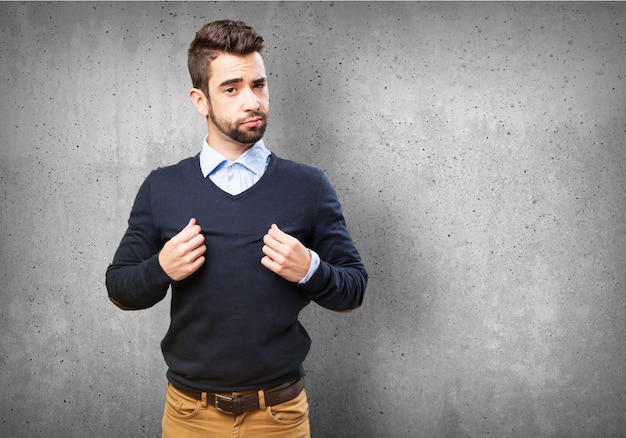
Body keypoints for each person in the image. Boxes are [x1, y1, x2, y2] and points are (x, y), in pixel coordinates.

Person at [106, 19, 367, 438]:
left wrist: (310, 269)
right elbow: (119, 288)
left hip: (279, 417)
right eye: (231, 89)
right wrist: (161, 268)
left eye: (259, 86)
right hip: (190, 417)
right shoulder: (162, 188)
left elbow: (354, 290)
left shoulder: (309, 186)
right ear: (200, 100)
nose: (253, 101)